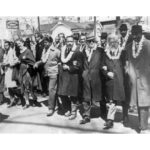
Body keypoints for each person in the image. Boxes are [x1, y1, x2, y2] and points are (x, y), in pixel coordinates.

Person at [126, 25, 150, 133]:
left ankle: (143, 126)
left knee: (144, 103)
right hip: (135, 80)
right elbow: (128, 62)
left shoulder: (148, 44)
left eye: (137, 34)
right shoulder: (129, 47)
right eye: (133, 34)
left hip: (147, 79)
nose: (134, 36)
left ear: (141, 33)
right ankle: (142, 125)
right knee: (140, 103)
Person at [101, 34, 125, 129]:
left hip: (120, 80)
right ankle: (110, 120)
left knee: (123, 99)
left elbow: (126, 66)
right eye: (111, 41)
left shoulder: (122, 52)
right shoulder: (105, 54)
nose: (113, 43)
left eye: (114, 41)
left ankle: (126, 117)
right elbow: (102, 67)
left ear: (117, 42)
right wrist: (106, 73)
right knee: (111, 100)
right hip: (110, 81)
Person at [58, 36, 83, 120]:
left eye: (71, 41)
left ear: (74, 42)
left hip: (73, 76)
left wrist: (69, 68)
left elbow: (79, 65)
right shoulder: (63, 50)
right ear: (65, 42)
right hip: (64, 76)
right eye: (68, 41)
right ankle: (67, 109)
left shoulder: (77, 52)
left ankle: (73, 112)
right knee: (62, 93)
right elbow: (61, 60)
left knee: (73, 95)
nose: (69, 43)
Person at [79, 34, 103, 124]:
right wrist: (83, 73)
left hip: (97, 77)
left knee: (100, 96)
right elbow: (80, 64)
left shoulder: (100, 51)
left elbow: (103, 62)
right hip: (86, 77)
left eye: (93, 41)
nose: (91, 43)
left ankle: (104, 113)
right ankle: (86, 115)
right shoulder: (83, 52)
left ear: (95, 41)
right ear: (87, 42)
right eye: (89, 41)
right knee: (86, 96)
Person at [34, 36, 60, 116]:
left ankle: (51, 108)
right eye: (44, 42)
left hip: (54, 72)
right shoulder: (44, 50)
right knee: (53, 90)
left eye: (46, 42)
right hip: (46, 72)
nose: (44, 44)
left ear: (51, 42)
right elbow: (43, 60)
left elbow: (60, 61)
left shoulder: (56, 51)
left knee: (51, 89)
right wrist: (37, 63)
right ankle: (58, 105)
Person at [15, 39, 40, 109]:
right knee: (24, 86)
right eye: (17, 44)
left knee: (30, 86)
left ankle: (34, 99)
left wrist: (29, 65)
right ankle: (27, 102)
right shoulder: (19, 51)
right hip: (21, 70)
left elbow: (32, 61)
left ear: (23, 43)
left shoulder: (28, 51)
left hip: (28, 71)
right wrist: (18, 61)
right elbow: (20, 60)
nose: (18, 45)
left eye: (19, 43)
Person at [119, 23, 133, 126]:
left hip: (130, 69)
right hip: (120, 69)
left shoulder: (131, 39)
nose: (123, 32)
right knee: (123, 92)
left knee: (129, 91)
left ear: (127, 30)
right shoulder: (118, 40)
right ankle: (125, 114)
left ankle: (127, 114)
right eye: (121, 30)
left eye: (124, 30)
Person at [3, 41, 19, 107]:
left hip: (11, 70)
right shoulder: (5, 52)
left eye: (7, 45)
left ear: (9, 45)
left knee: (13, 86)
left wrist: (7, 63)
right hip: (7, 71)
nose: (5, 46)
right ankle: (12, 100)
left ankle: (19, 98)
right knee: (9, 87)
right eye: (5, 45)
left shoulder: (12, 51)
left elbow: (14, 61)